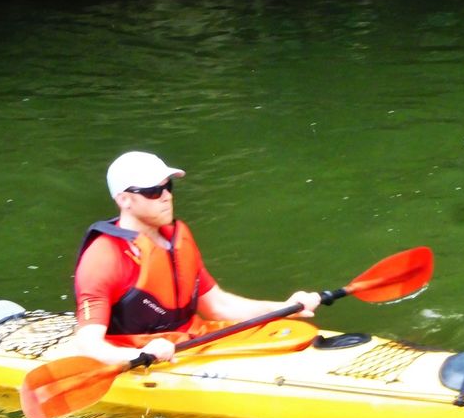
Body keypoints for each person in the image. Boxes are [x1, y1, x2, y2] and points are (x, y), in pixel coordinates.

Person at [74, 151, 321, 365]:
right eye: (153, 191)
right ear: (124, 199)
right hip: (142, 356)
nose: (166, 196)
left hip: (192, 341)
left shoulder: (176, 238)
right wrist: (139, 354)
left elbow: (217, 305)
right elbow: (88, 345)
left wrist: (284, 309)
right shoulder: (103, 257)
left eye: (168, 186)